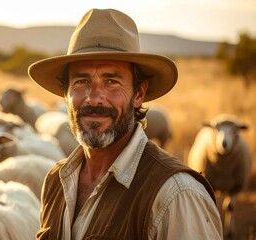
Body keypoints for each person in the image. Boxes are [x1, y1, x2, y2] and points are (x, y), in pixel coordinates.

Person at [28, 8, 223, 240]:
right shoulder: (56, 181)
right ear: (66, 94)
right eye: (81, 81)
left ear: (139, 94)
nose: (94, 97)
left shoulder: (175, 195)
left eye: (111, 81)